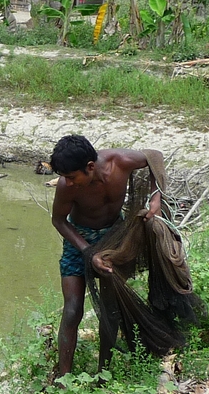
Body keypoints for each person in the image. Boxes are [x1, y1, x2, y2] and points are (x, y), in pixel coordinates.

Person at [49, 135, 162, 378]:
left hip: (114, 238)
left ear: (90, 167)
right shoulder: (65, 187)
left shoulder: (120, 161)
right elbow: (59, 220)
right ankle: (63, 377)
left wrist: (156, 196)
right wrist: (88, 252)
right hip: (78, 240)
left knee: (110, 309)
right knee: (72, 310)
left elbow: (155, 157)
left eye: (71, 177)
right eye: (65, 177)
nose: (68, 183)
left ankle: (104, 373)